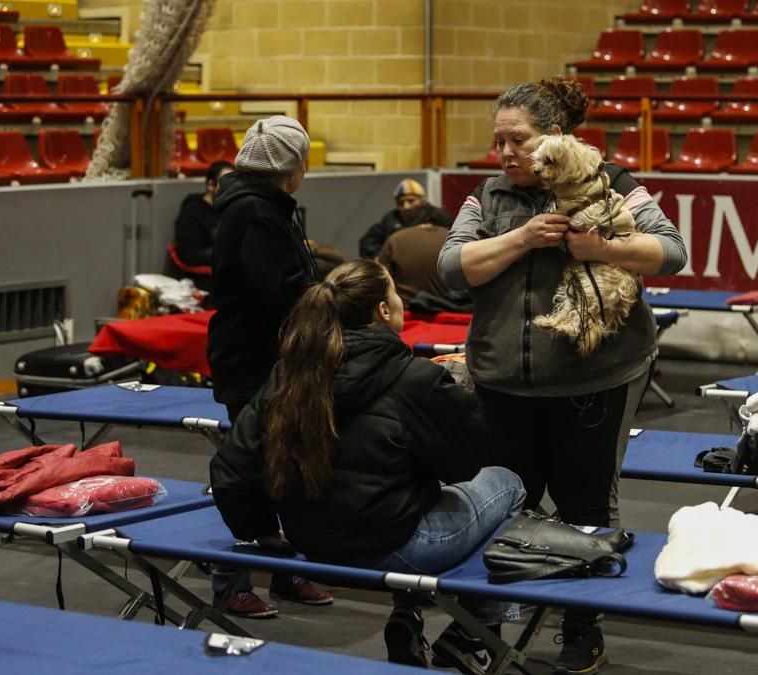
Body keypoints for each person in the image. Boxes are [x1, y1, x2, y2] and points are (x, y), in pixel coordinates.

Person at [437, 77, 687, 675]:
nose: (504, 153)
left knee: (585, 506)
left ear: (554, 138)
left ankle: (583, 627)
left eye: (517, 140)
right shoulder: (488, 196)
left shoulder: (613, 184)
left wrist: (601, 248)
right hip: (502, 384)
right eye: (498, 141)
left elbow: (671, 250)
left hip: (591, 383)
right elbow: (450, 268)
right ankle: (484, 624)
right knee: (498, 507)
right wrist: (522, 238)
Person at [210, 260, 526, 672]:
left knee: (406, 499)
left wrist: (264, 532)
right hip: (398, 548)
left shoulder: (290, 373)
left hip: (311, 541)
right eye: (395, 292)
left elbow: (231, 470)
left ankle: (408, 617)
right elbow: (464, 467)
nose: (400, 300)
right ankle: (474, 629)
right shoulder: (414, 379)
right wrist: (460, 396)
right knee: (508, 482)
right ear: (382, 310)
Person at [207, 115, 332, 616]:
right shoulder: (256, 212)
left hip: (272, 358)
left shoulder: (263, 206)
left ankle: (287, 569)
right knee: (251, 470)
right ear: (292, 167)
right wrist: (334, 300)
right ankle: (231, 581)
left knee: (289, 467)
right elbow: (283, 292)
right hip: (253, 361)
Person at [171, 160, 234, 291]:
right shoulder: (192, 210)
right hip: (205, 278)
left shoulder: (231, 208)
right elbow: (189, 254)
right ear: (211, 185)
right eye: (227, 185)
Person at [359, 178, 453, 259]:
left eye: (411, 201)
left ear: (422, 200)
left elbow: (456, 239)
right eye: (401, 203)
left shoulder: (438, 216)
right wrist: (380, 256)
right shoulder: (391, 219)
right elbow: (368, 243)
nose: (406, 206)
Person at [377, 221, 459, 310]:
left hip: (407, 312)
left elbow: (380, 280)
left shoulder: (395, 238)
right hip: (453, 312)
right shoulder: (457, 239)